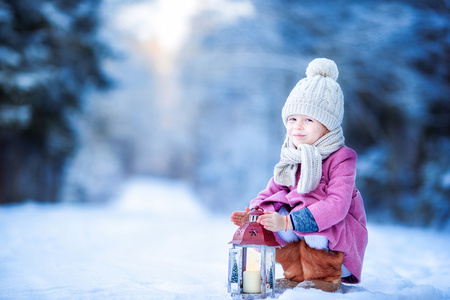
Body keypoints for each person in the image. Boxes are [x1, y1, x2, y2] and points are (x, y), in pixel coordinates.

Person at [231, 58, 368, 292]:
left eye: (308, 120)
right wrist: (256, 214)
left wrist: (288, 221)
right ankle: (297, 275)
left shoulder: (342, 158)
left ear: (328, 126)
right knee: (274, 216)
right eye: (292, 119)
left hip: (337, 237)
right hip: (302, 228)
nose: (297, 126)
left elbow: (337, 206)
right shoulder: (292, 156)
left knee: (311, 227)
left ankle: (324, 278)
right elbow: (274, 189)